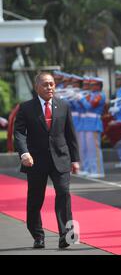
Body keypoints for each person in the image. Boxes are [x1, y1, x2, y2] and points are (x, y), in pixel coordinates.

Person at [14, 72, 80, 249]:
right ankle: (38, 235)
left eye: (52, 84)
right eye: (45, 84)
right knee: (35, 199)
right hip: (35, 160)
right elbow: (19, 133)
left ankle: (65, 236)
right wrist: (24, 153)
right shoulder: (26, 108)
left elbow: (70, 133)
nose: (49, 87)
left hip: (61, 158)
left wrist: (75, 159)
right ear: (37, 87)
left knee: (64, 193)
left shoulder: (63, 105)